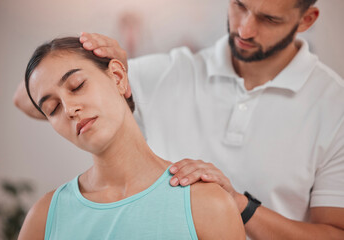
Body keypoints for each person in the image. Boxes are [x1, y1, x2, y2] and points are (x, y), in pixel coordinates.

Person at [14, 0, 344, 239]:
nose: (244, 28)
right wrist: (82, 63)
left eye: (269, 19)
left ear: (306, 19)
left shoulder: (335, 106)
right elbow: (28, 98)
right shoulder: (169, 72)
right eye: (239, 5)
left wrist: (239, 206)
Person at [17, 37, 245, 240]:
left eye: (77, 86)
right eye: (53, 108)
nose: (69, 109)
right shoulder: (45, 217)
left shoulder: (207, 203)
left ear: (117, 77)